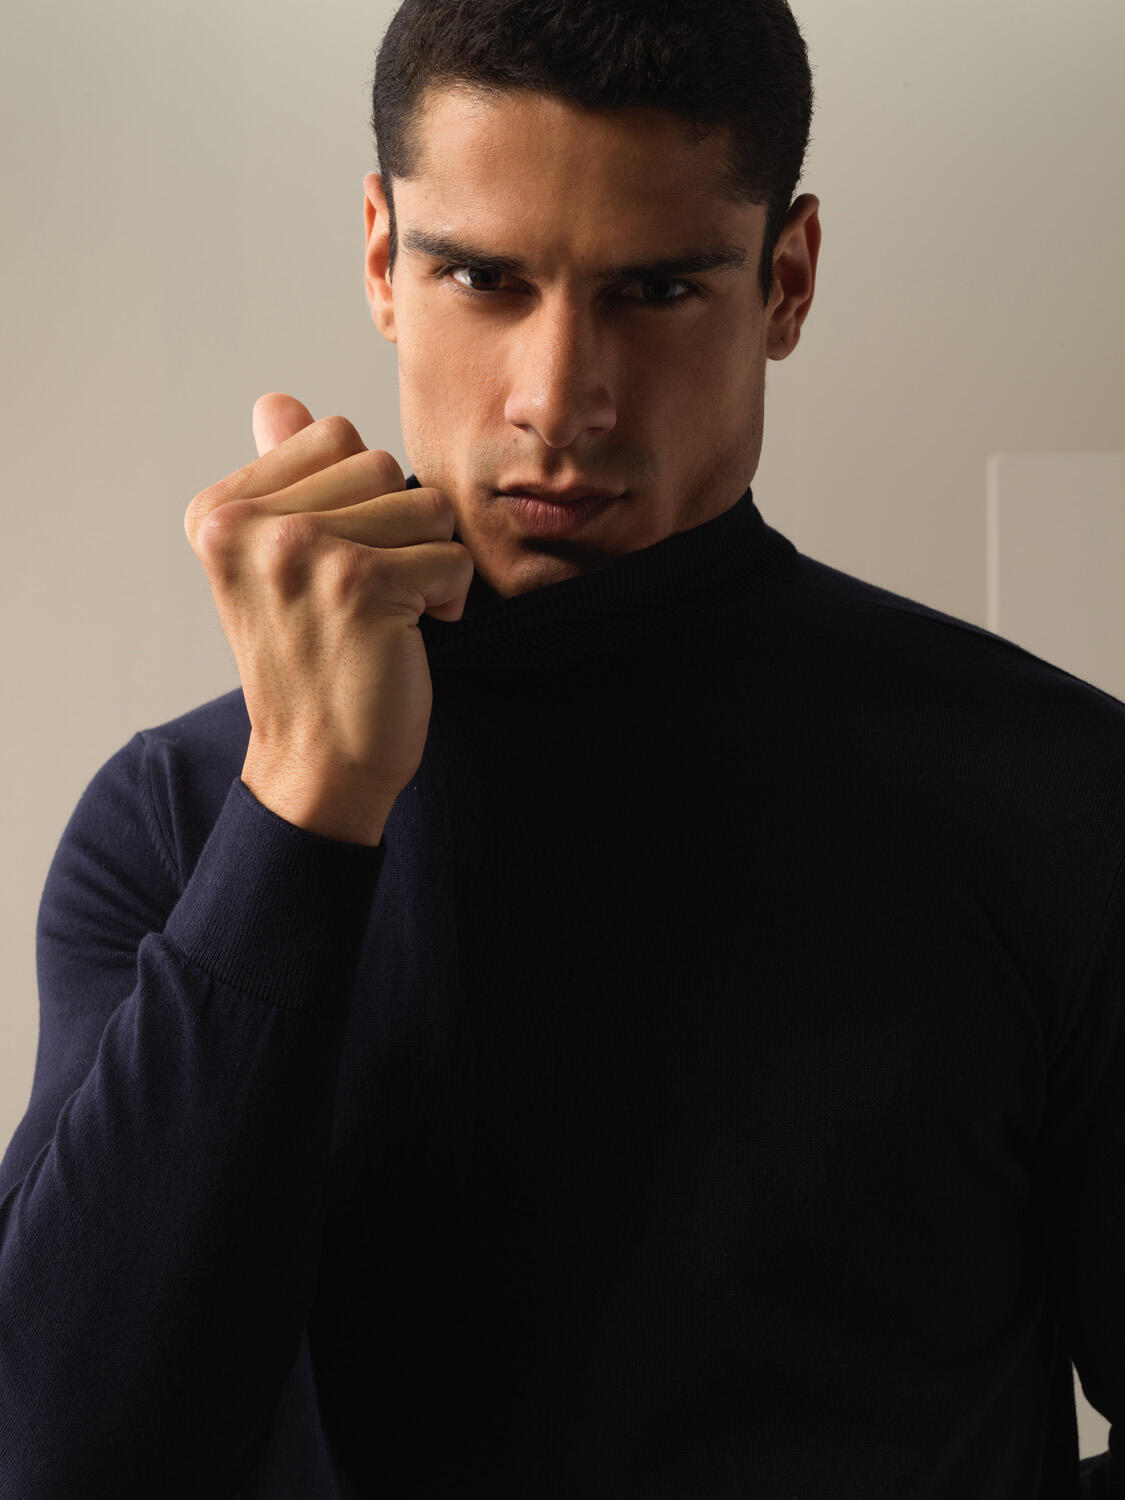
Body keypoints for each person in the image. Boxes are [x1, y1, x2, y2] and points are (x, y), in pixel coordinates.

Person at [0, 0, 1120, 1494]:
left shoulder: (1051, 795)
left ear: (784, 282)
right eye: (483, 278)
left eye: (654, 290)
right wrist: (308, 797)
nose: (558, 401)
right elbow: (63, 1455)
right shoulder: (185, 818)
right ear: (383, 260)